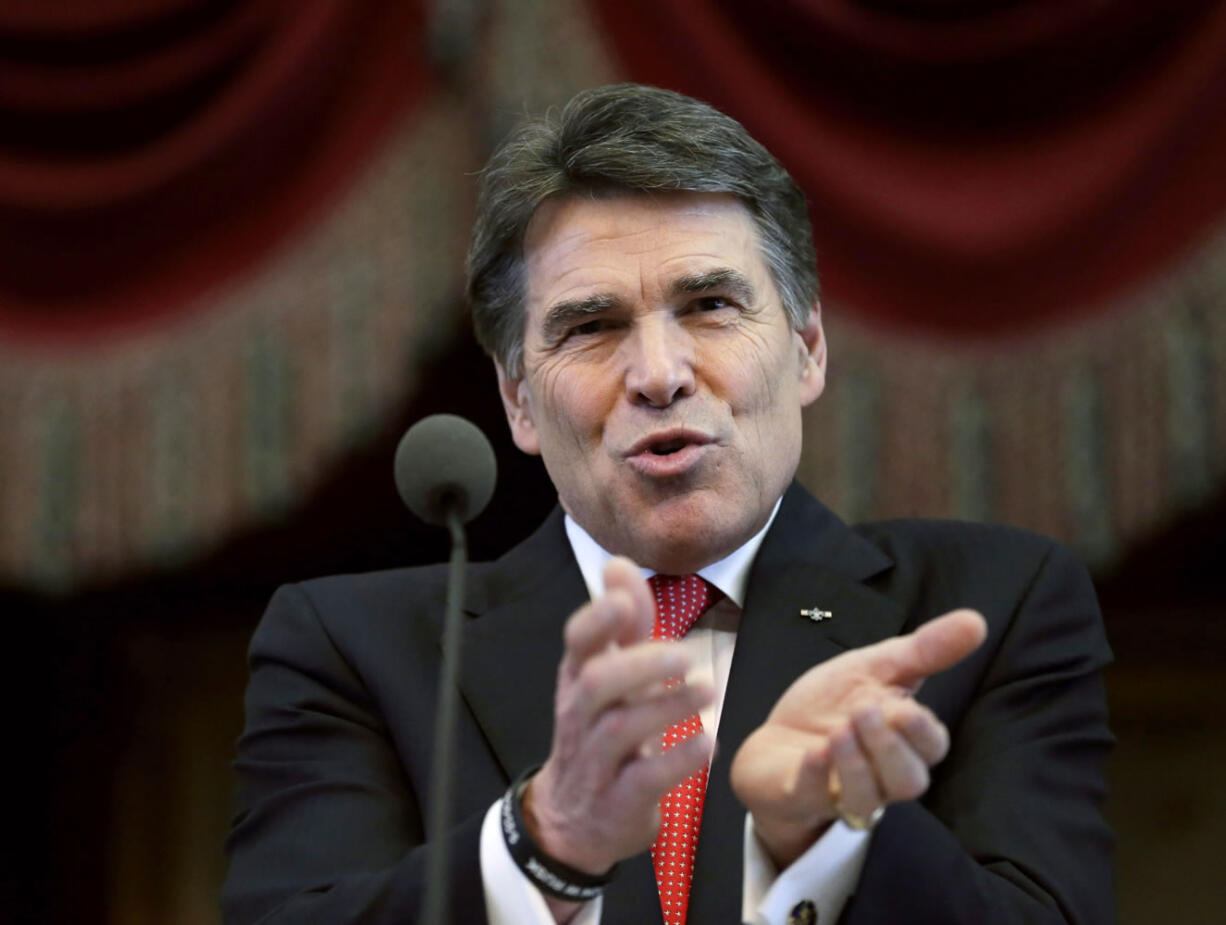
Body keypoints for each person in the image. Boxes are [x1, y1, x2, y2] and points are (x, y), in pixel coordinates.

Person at [223, 84, 1114, 924]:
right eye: (591, 326)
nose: (658, 374)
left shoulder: (993, 607)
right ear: (519, 401)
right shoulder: (352, 648)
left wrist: (824, 838)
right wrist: (544, 841)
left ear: (806, 348)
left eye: (712, 304)